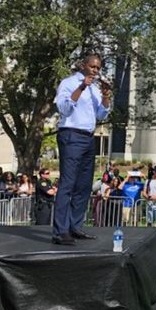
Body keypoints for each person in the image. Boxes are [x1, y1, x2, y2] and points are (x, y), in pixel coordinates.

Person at [52, 53, 111, 245]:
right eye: (93, 66)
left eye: (98, 68)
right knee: (67, 183)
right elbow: (64, 108)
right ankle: (60, 232)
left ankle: (75, 227)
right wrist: (82, 87)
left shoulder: (94, 89)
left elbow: (101, 115)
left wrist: (106, 96)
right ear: (83, 65)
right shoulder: (69, 83)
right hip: (71, 134)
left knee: (84, 185)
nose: (95, 70)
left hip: (88, 137)